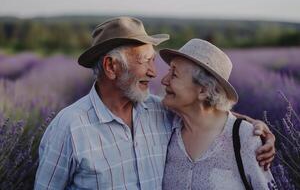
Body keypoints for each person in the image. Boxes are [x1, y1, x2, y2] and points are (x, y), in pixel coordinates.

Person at [34, 17, 275, 190]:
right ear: (111, 66)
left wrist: (252, 128)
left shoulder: (159, 111)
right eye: (145, 61)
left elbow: (208, 115)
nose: (154, 72)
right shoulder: (69, 128)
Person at [160, 39, 277, 189]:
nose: (164, 80)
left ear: (203, 90)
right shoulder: (165, 126)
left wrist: (251, 128)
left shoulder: (244, 138)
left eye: (174, 74)